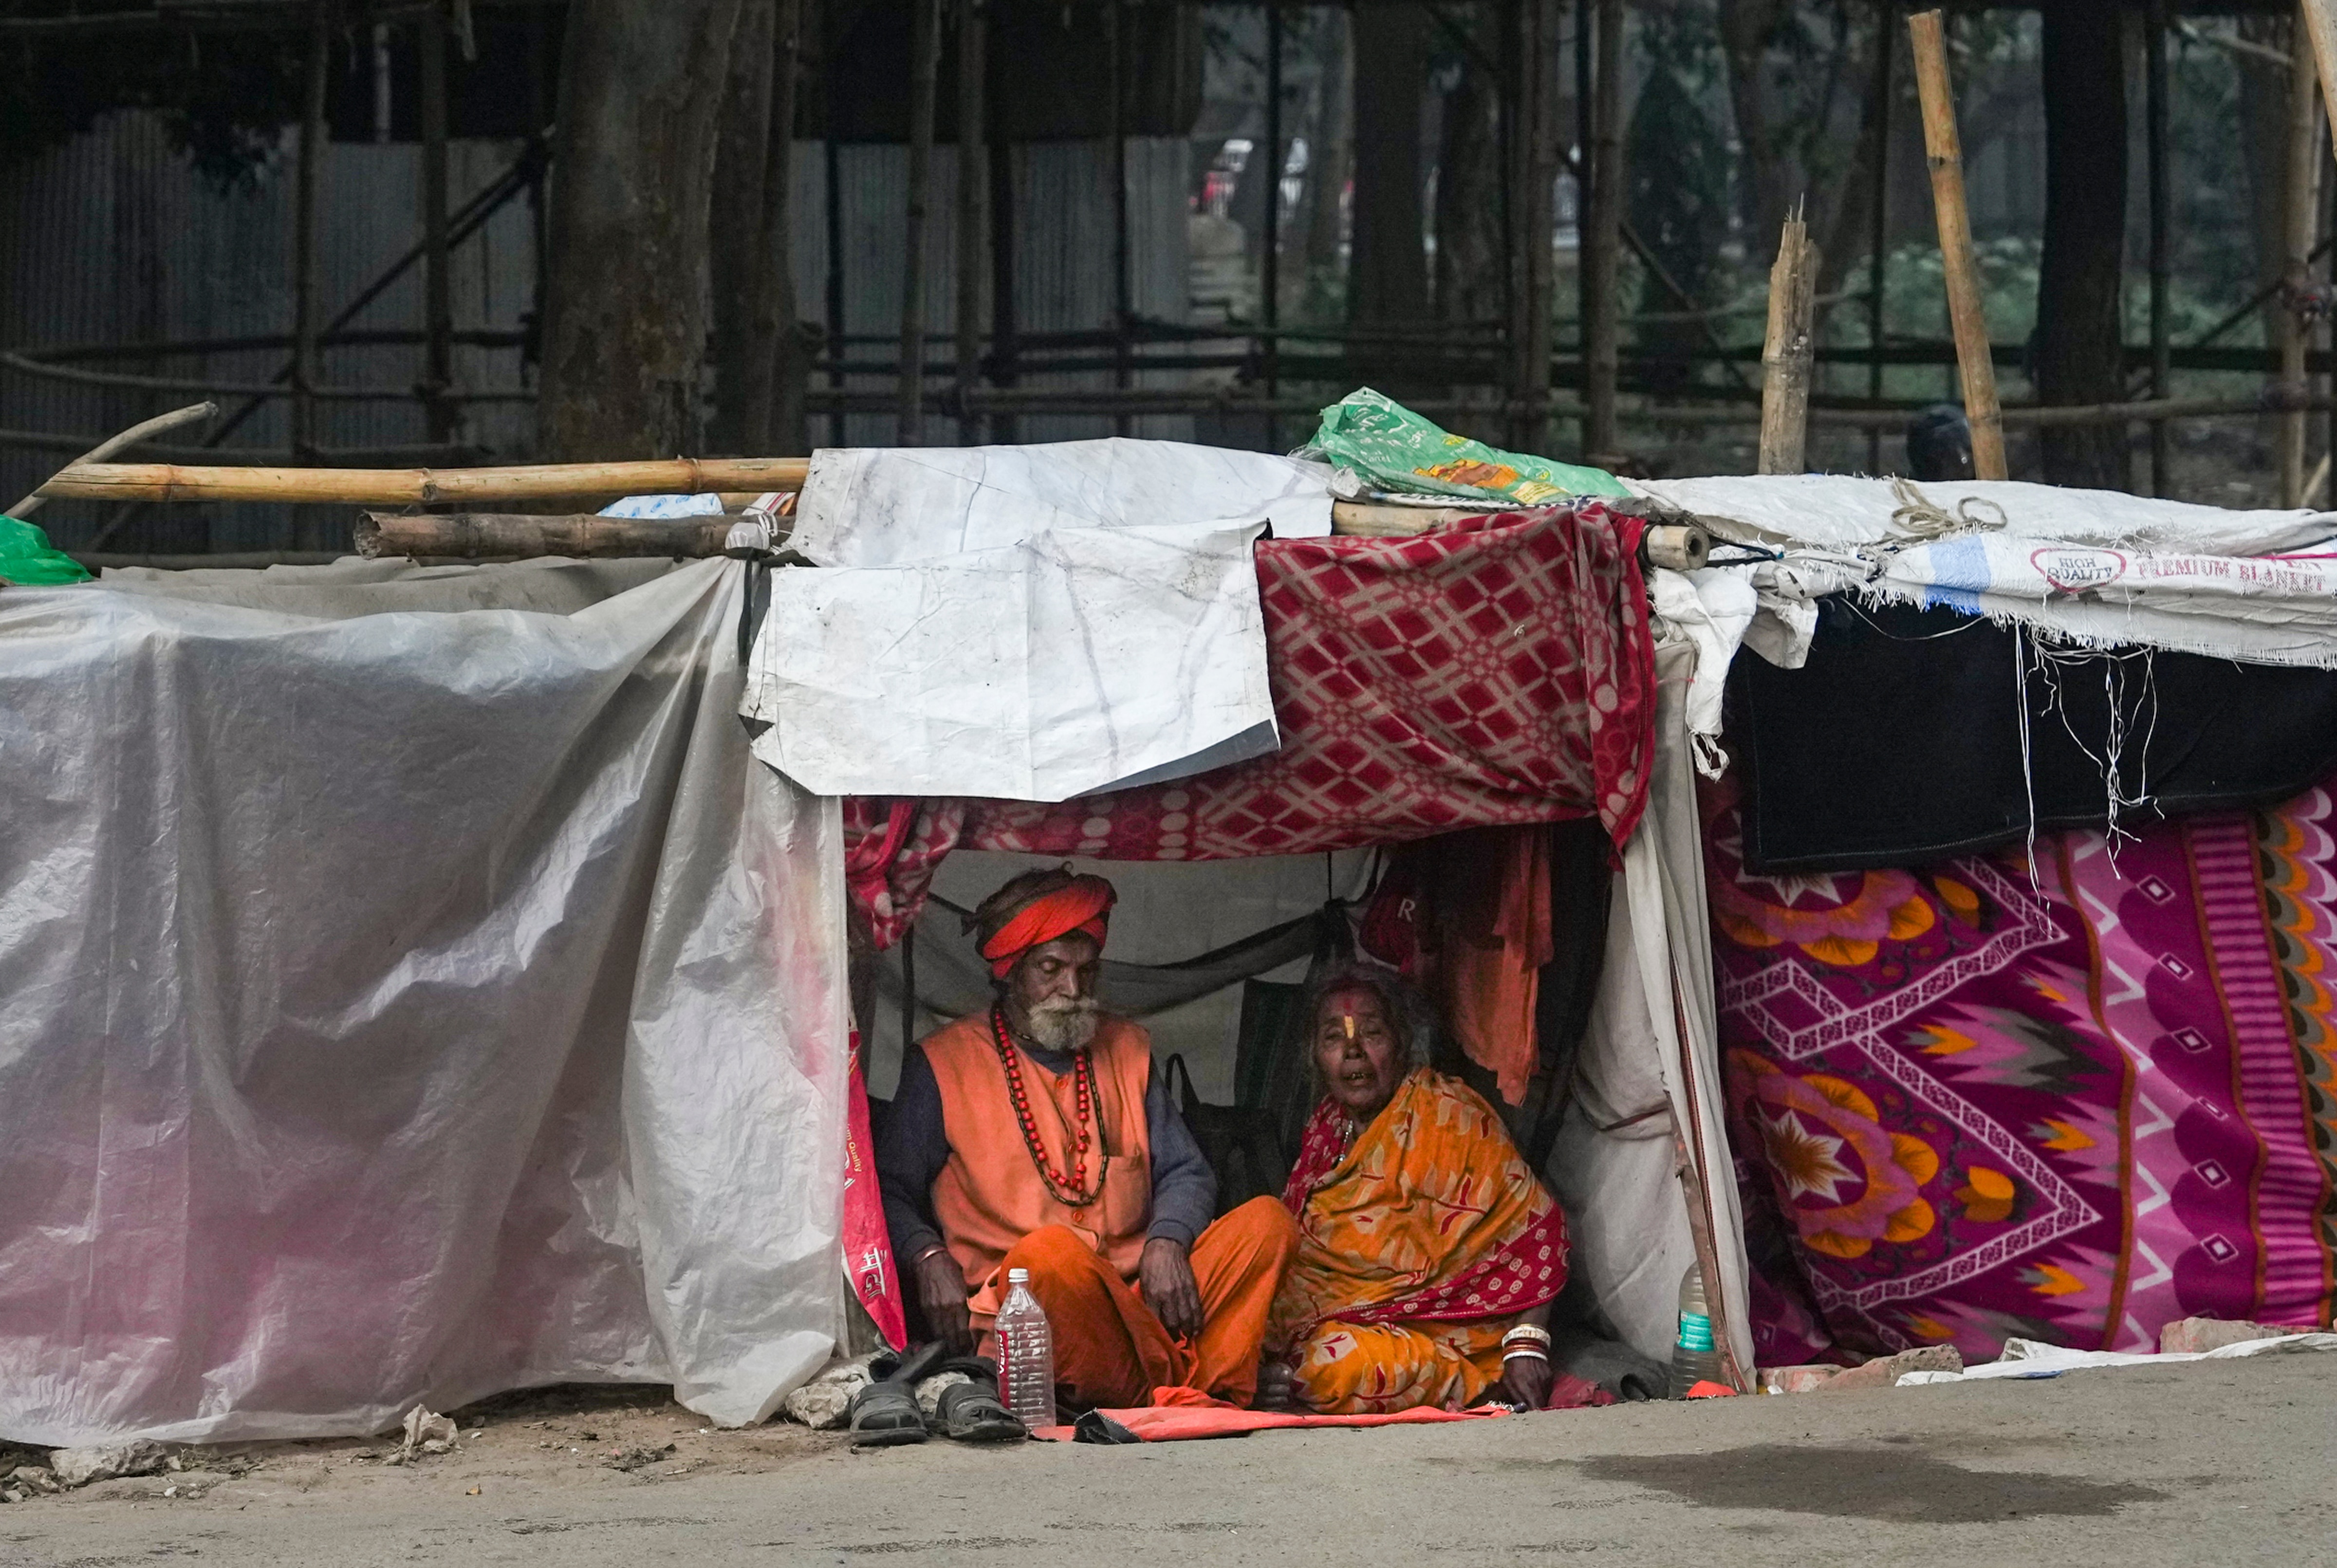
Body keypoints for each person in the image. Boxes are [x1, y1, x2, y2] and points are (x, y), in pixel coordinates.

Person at [876, 865, 1299, 1410]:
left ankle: (1152, 1388)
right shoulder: (942, 1062)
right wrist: (927, 1253)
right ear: (1010, 972)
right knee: (1049, 1253)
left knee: (1268, 1222)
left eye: (1087, 970)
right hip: (1031, 1306)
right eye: (1051, 969)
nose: (1073, 990)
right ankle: (1198, 1383)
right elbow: (889, 1187)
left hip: (1143, 1300)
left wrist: (1167, 1241)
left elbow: (1187, 1171)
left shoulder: (1127, 1047)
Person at [1258, 963, 1571, 1414]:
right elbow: (1298, 1252)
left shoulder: (1448, 1115)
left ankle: (1286, 1379)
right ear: (1315, 1056)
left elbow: (1540, 1231)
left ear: (1403, 1042)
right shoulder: (1327, 1125)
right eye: (1333, 1038)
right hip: (1320, 1321)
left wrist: (1528, 1342)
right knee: (1231, 1327)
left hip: (1431, 1334)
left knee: (1330, 1368)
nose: (1353, 1051)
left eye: (1372, 1033)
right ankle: (1268, 1372)